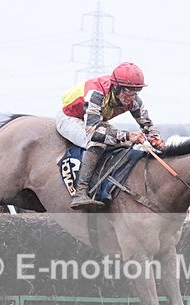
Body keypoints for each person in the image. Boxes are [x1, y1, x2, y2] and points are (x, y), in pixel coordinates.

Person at [56, 62, 166, 209]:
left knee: (123, 143)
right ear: (116, 86)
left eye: (135, 92)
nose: (130, 98)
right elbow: (93, 130)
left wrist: (155, 138)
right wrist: (128, 136)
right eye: (127, 92)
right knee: (98, 141)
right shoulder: (96, 93)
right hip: (70, 118)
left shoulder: (133, 100)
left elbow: (147, 124)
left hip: (94, 120)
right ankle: (80, 192)